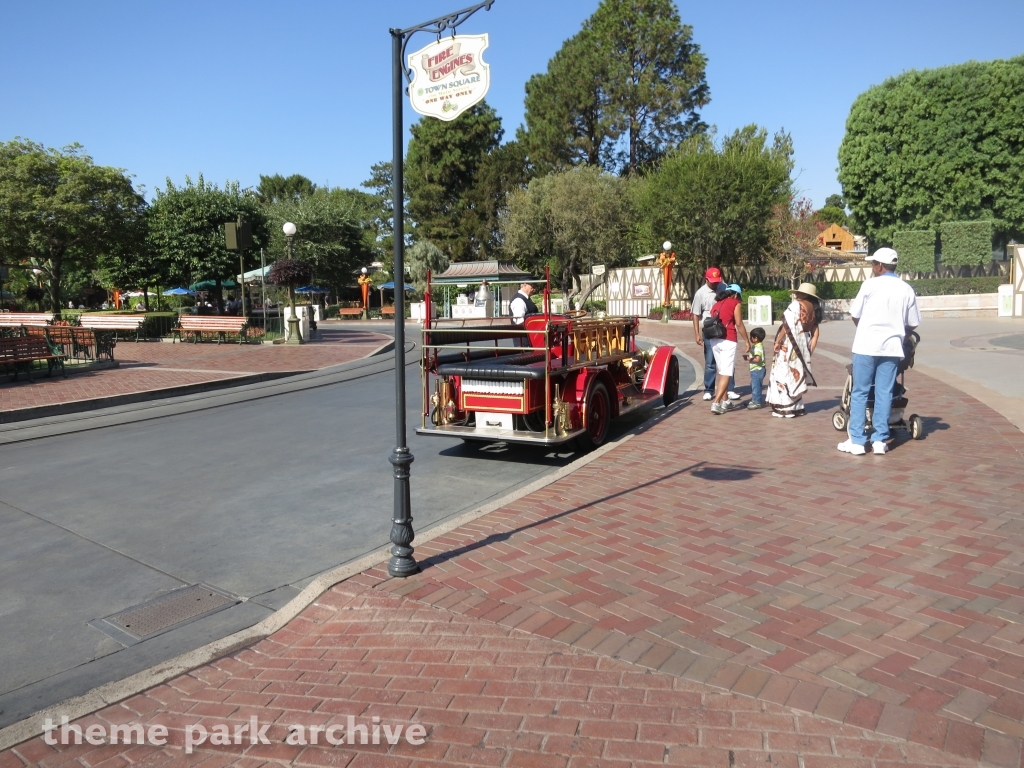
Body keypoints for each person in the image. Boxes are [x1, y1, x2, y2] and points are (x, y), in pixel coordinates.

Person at [839, 247, 921, 456]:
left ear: (880, 266)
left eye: (873, 264)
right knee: (884, 393)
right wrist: (897, 333)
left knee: (860, 391)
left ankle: (857, 441)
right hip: (892, 348)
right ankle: (879, 440)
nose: (873, 267)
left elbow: (855, 314)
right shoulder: (906, 289)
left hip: (866, 346)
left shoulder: (869, 285)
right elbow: (913, 323)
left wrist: (867, 330)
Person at [766, 284, 820, 418]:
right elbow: (815, 334)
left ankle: (784, 408)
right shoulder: (813, 309)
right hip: (802, 344)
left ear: (805, 294)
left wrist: (778, 340)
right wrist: (809, 351)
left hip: (790, 343)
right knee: (796, 374)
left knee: (783, 373)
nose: (796, 295)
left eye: (799, 293)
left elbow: (787, 326)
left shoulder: (796, 305)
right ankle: (796, 407)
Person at [691, 267, 738, 402]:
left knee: (728, 361)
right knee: (711, 361)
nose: (715, 284)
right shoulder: (700, 293)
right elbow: (695, 314)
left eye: (717, 281)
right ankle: (709, 389)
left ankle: (729, 389)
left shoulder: (724, 287)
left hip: (725, 329)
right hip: (710, 330)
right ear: (706, 279)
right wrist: (696, 334)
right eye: (712, 281)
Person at [708, 284, 751, 414]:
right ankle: (716, 403)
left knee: (722, 371)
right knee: (727, 372)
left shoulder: (716, 304)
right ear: (736, 294)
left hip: (714, 339)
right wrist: (747, 340)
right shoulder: (735, 303)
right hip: (728, 339)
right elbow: (739, 323)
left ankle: (726, 401)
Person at [746, 327, 767, 410]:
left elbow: (758, 359)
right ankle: (754, 399)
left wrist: (749, 359)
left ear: (756, 338)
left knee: (756, 386)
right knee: (754, 385)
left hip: (757, 369)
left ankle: (757, 402)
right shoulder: (757, 345)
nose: (750, 339)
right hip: (757, 369)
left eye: (751, 337)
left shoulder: (758, 347)